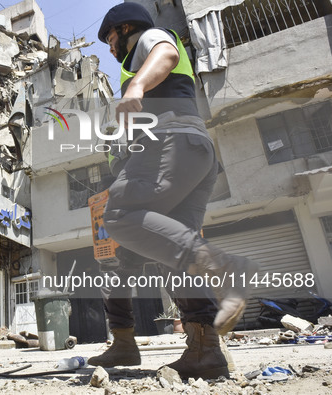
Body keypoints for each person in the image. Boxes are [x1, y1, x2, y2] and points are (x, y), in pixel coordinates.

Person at [88, 3, 259, 379]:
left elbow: (165, 50)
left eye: (110, 37)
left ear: (125, 27)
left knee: (117, 216)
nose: (109, 47)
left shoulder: (148, 40)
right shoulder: (134, 65)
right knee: (172, 255)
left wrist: (136, 84)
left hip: (171, 144)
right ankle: (204, 350)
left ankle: (228, 269)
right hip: (191, 152)